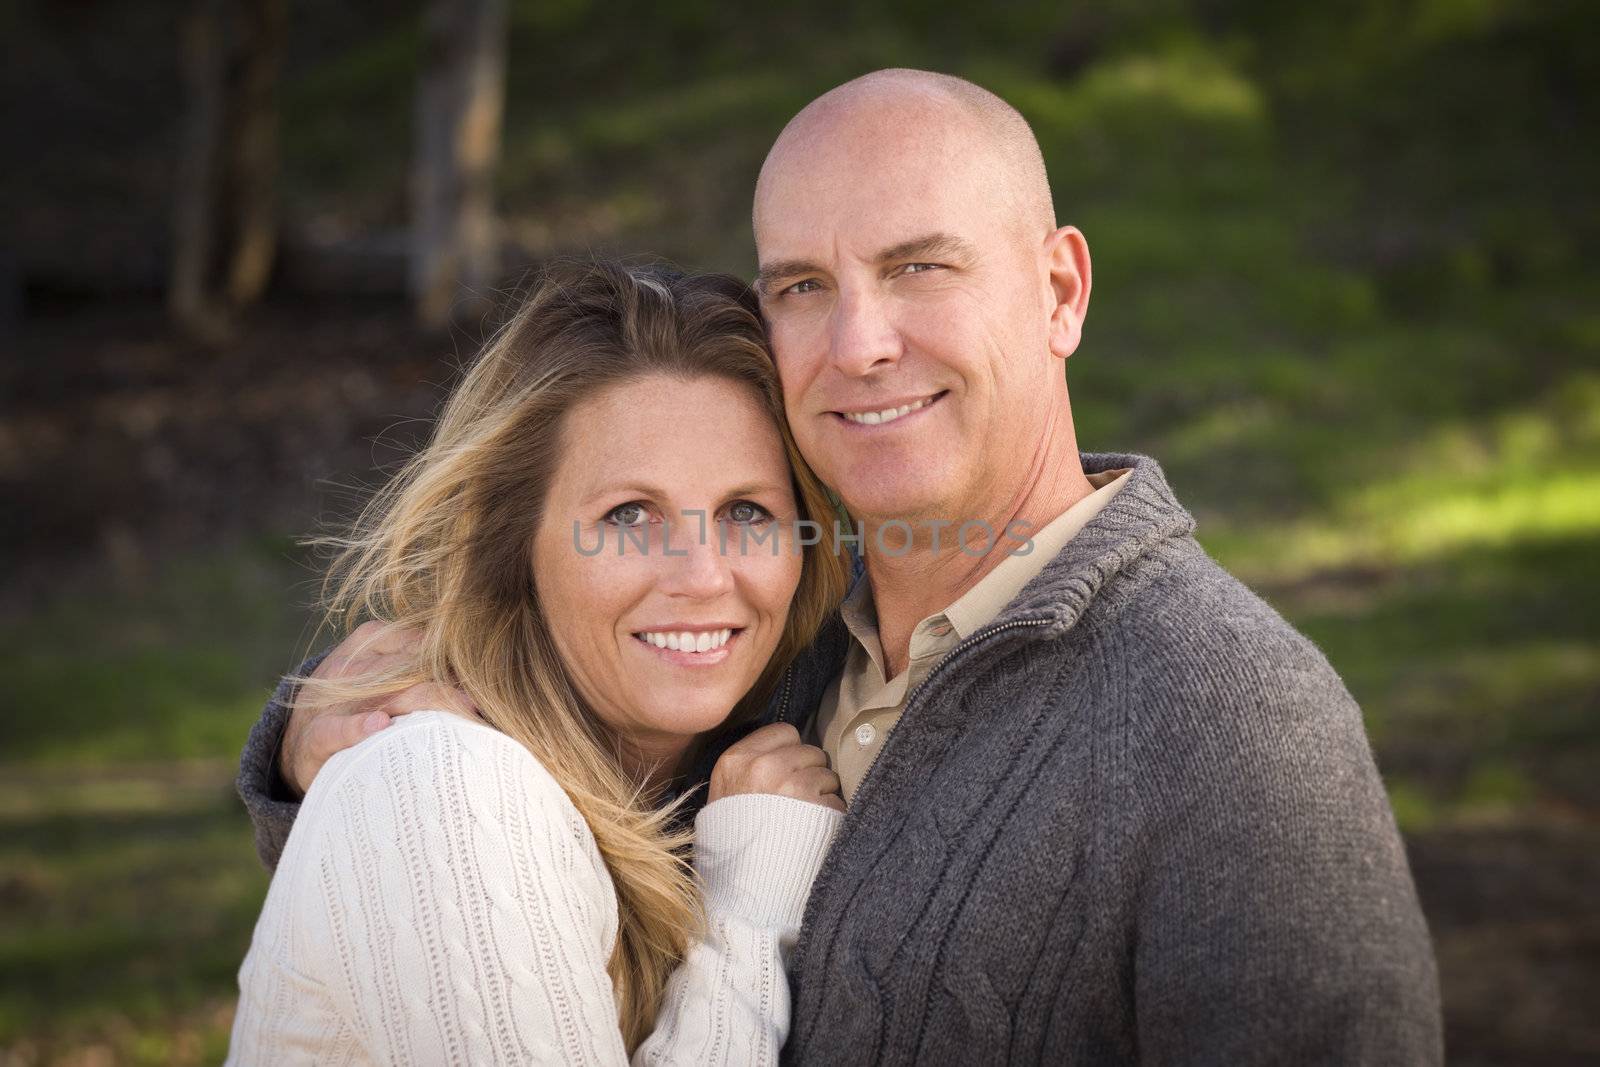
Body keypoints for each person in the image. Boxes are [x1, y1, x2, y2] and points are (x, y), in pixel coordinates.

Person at [239, 70, 1443, 1063]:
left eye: (921, 266)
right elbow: (469, 876)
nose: (860, 343)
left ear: (1060, 289)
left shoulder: (1231, 716)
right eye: (804, 287)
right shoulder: (767, 647)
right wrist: (333, 725)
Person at [225, 261, 853, 1064]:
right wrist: (748, 919)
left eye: (746, 511)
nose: (703, 576)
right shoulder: (443, 788)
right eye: (629, 515)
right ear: (510, 544)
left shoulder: (742, 737)